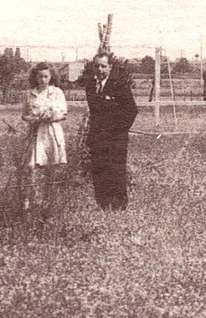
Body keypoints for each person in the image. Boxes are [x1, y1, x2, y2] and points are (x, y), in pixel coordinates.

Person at [78, 50, 138, 210]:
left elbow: (132, 111)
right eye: (97, 66)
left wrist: (116, 130)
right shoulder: (91, 86)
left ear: (110, 67)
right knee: (98, 172)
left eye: (103, 66)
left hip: (116, 139)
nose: (100, 69)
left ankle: (119, 208)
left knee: (116, 173)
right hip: (97, 138)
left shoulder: (119, 85)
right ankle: (103, 206)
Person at [19, 62, 67, 210]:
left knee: (50, 167)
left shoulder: (57, 92)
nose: (43, 80)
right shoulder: (30, 94)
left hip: (52, 132)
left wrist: (50, 116)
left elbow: (63, 114)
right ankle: (30, 199)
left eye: (46, 76)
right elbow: (24, 115)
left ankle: (48, 201)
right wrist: (34, 119)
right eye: (40, 76)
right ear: (35, 77)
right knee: (30, 166)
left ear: (51, 77)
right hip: (35, 132)